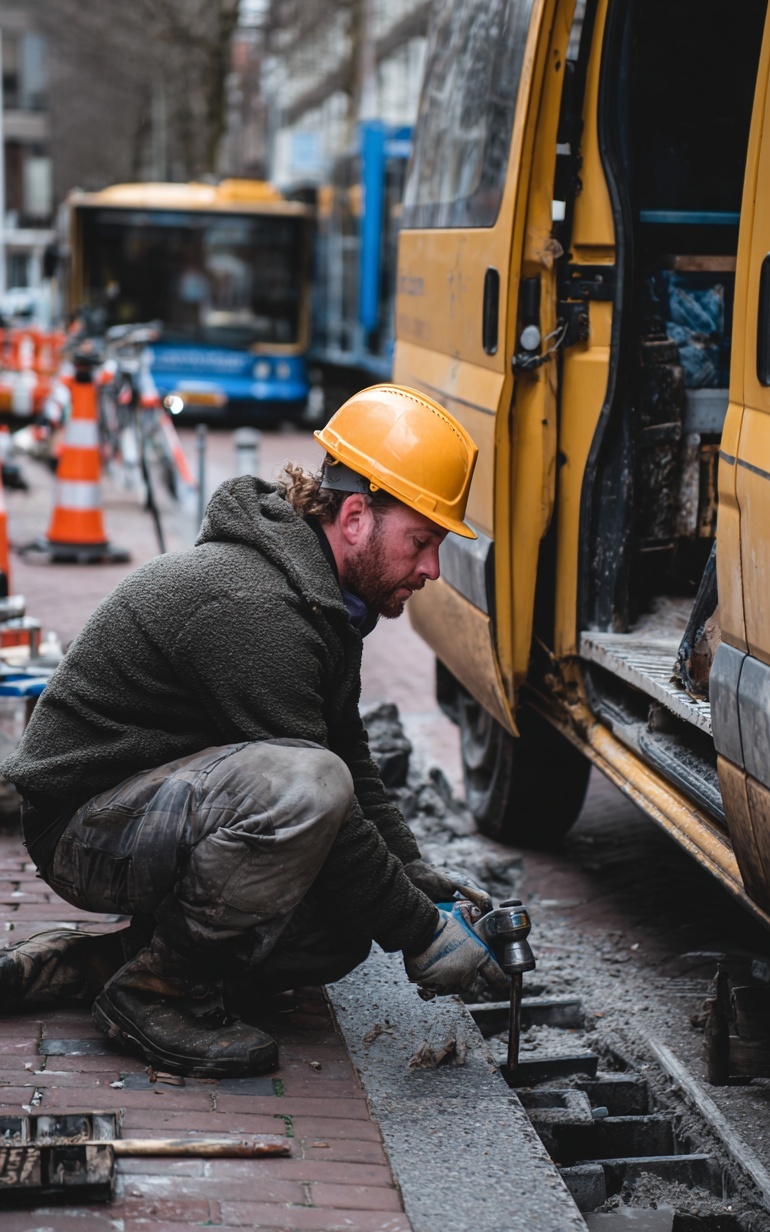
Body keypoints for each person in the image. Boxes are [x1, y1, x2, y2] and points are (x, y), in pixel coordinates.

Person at [0, 384, 506, 1077]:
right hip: (79, 828)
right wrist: (422, 935)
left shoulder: (319, 600)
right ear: (355, 517)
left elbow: (353, 760)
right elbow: (323, 791)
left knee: (338, 937)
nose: (431, 569)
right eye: (421, 542)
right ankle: (155, 995)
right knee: (308, 785)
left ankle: (99, 965)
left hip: (149, 809)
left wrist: (412, 876)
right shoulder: (257, 607)